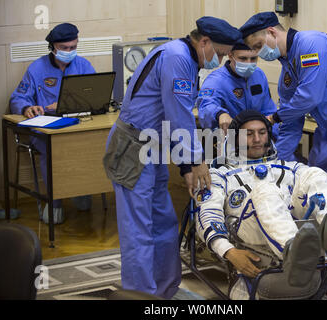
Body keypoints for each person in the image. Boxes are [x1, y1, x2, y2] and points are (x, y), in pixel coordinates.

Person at [239, 11, 327, 300]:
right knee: (316, 192)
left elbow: (309, 98)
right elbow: (292, 123)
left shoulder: (311, 44)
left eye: (257, 46)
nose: (258, 53)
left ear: (272, 32)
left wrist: (275, 117)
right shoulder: (287, 74)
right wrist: (279, 163)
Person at [103, 16, 241, 299]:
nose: (223, 59)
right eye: (222, 53)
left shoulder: (186, 57)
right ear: (204, 42)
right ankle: (140, 296)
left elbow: (172, 117)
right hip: (133, 147)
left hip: (153, 145)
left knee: (164, 223)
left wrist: (185, 167)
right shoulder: (177, 57)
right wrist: (195, 161)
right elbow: (179, 117)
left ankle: (165, 291)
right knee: (139, 230)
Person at [195, 110, 327, 299]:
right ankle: (294, 251)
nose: (257, 139)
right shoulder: (220, 175)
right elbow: (207, 214)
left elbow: (313, 184)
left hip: (304, 233)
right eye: (249, 134)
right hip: (251, 232)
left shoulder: (287, 167)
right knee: (266, 191)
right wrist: (228, 251)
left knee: (315, 174)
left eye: (262, 132)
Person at [9, 23, 95, 224]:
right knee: (52, 148)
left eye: (73, 47)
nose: (69, 52)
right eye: (64, 48)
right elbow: (18, 98)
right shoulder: (37, 68)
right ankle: (54, 201)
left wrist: (71, 103)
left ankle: (82, 190)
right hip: (46, 128)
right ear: (53, 47)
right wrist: (25, 108)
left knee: (92, 142)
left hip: (77, 125)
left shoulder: (83, 65)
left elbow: (95, 95)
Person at [197, 41, 278, 137]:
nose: (248, 64)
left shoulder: (259, 75)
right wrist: (220, 114)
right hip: (230, 139)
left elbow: (268, 110)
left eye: (253, 58)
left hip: (257, 139)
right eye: (243, 59)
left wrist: (272, 136)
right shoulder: (216, 80)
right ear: (230, 55)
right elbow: (206, 106)